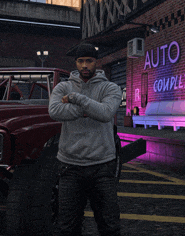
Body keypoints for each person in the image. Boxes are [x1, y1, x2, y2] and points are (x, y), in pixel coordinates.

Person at [49, 43, 122, 236]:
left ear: (96, 62)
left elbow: (106, 113)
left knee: (110, 226)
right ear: (75, 63)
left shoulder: (111, 88)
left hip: (102, 165)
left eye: (89, 61)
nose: (84, 65)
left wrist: (76, 98)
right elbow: (54, 111)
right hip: (70, 166)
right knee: (67, 226)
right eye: (80, 61)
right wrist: (91, 109)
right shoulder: (62, 86)